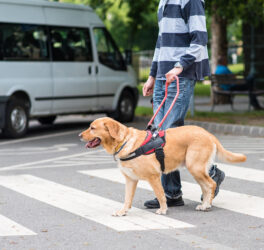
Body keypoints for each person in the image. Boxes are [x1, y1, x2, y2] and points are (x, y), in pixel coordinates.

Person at [143, 0, 225, 209]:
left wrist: (180, 66)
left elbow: (200, 39)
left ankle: (212, 173)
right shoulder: (162, 2)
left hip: (180, 75)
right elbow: (160, 42)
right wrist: (152, 76)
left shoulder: (191, 1)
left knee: (167, 134)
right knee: (160, 136)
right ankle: (172, 194)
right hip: (162, 76)